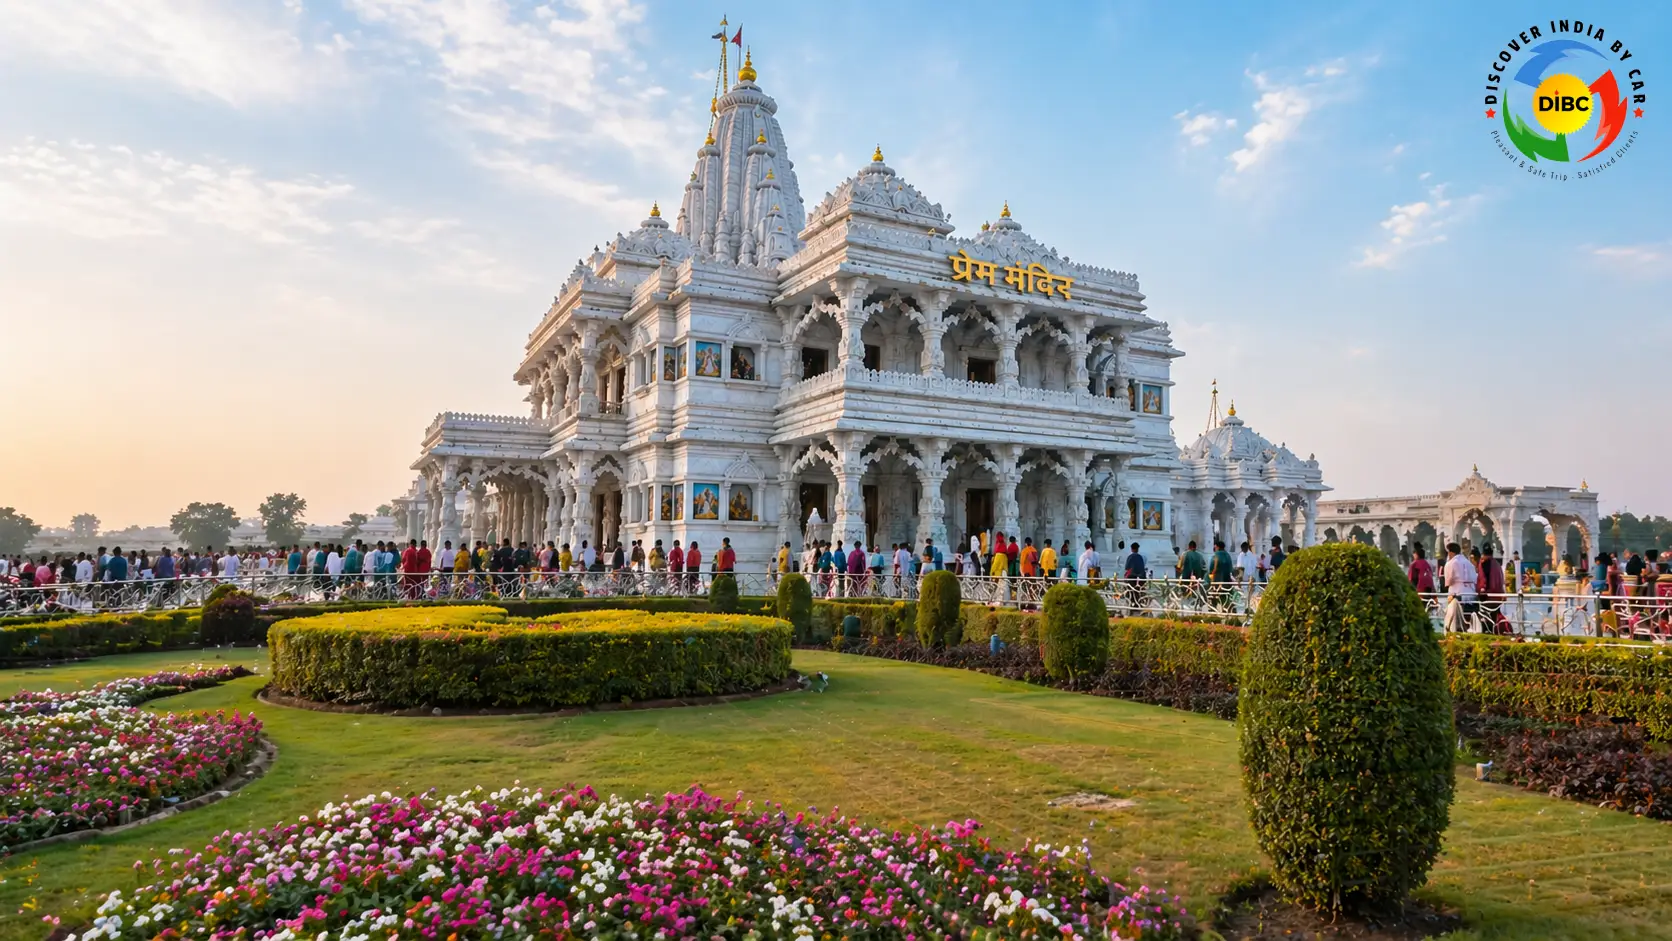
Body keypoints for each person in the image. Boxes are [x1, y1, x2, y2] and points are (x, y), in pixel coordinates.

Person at [1443, 541, 1478, 632]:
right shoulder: (1468, 563)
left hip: (1457, 594)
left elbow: (1448, 581)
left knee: (1453, 622)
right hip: (1471, 595)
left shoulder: (1451, 563)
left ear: (1451, 552)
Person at [1478, 545, 1506, 633]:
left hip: (1489, 596)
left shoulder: (1484, 563)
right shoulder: (1497, 564)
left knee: (1485, 619)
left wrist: (1482, 591)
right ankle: (1494, 633)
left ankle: (1488, 634)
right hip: (1498, 597)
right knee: (1494, 618)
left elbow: (1483, 579)